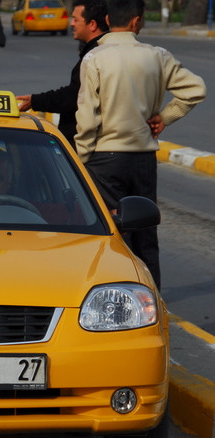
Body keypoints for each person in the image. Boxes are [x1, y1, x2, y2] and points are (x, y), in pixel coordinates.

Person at [74, 0, 206, 290]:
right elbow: (196, 89)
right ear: (137, 22)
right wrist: (165, 116)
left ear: (108, 19)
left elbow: (87, 117)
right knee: (145, 234)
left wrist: (80, 159)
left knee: (112, 235)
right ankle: (152, 298)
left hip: (104, 160)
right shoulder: (157, 56)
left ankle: (119, 299)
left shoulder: (95, 58)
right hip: (143, 158)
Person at [16, 0, 108, 148]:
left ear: (92, 24)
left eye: (76, 20)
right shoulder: (97, 50)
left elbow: (73, 96)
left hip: (88, 144)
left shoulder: (95, 56)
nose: (71, 24)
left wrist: (35, 101)